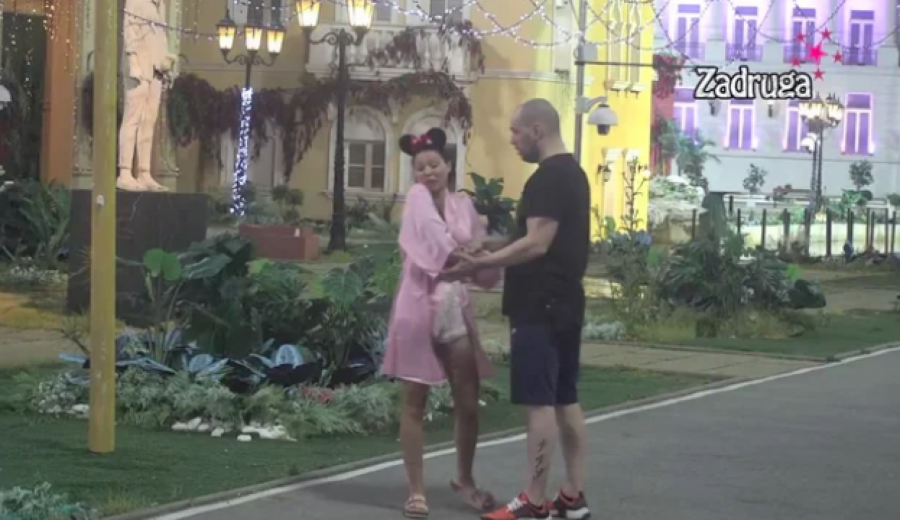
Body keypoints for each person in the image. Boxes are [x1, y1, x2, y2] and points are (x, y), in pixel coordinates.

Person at [441, 99, 592, 520]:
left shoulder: (547, 178)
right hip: (566, 301)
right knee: (565, 399)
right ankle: (572, 496)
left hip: (539, 306)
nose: (512, 140)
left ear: (537, 129)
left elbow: (537, 244)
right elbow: (536, 235)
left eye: (516, 131)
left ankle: (533, 501)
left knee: (539, 404)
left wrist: (480, 264)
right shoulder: (573, 173)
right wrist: (488, 244)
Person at [382, 127, 502, 519]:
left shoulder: (462, 204)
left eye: (434, 164)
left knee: (468, 400)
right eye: (420, 167)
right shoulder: (416, 200)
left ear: (449, 166)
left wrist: (482, 258)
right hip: (417, 308)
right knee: (414, 401)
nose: (428, 172)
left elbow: (479, 245)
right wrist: (463, 255)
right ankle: (416, 491)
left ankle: (464, 479)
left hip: (453, 307)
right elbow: (435, 242)